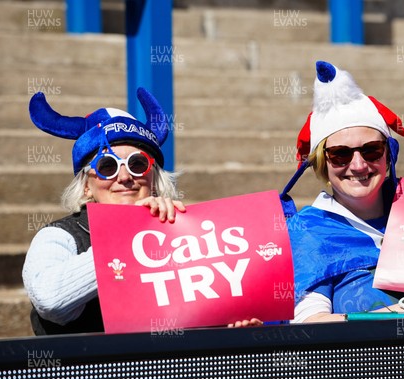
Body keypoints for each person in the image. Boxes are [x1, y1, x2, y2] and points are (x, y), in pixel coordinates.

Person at [23, 88, 259, 334]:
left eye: (138, 164)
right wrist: (134, 232)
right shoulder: (59, 236)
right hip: (94, 370)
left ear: (154, 178)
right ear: (86, 186)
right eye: (107, 165)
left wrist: (229, 325)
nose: (124, 177)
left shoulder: (184, 230)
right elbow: (50, 301)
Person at [281, 61, 404, 323]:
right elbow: (310, 326)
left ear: (389, 154)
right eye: (340, 154)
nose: (358, 165)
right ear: (323, 162)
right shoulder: (308, 233)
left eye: (371, 150)